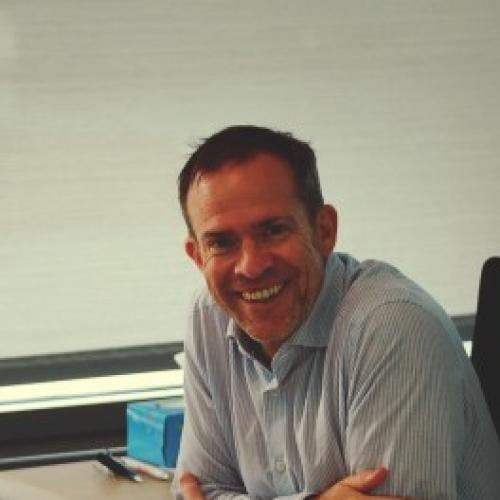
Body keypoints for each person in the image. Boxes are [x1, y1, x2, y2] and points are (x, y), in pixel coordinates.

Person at [172, 125, 500, 499]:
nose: (250, 266)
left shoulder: (392, 326)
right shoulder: (208, 316)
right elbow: (199, 489)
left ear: (324, 230)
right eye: (221, 242)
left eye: (273, 230)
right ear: (197, 256)